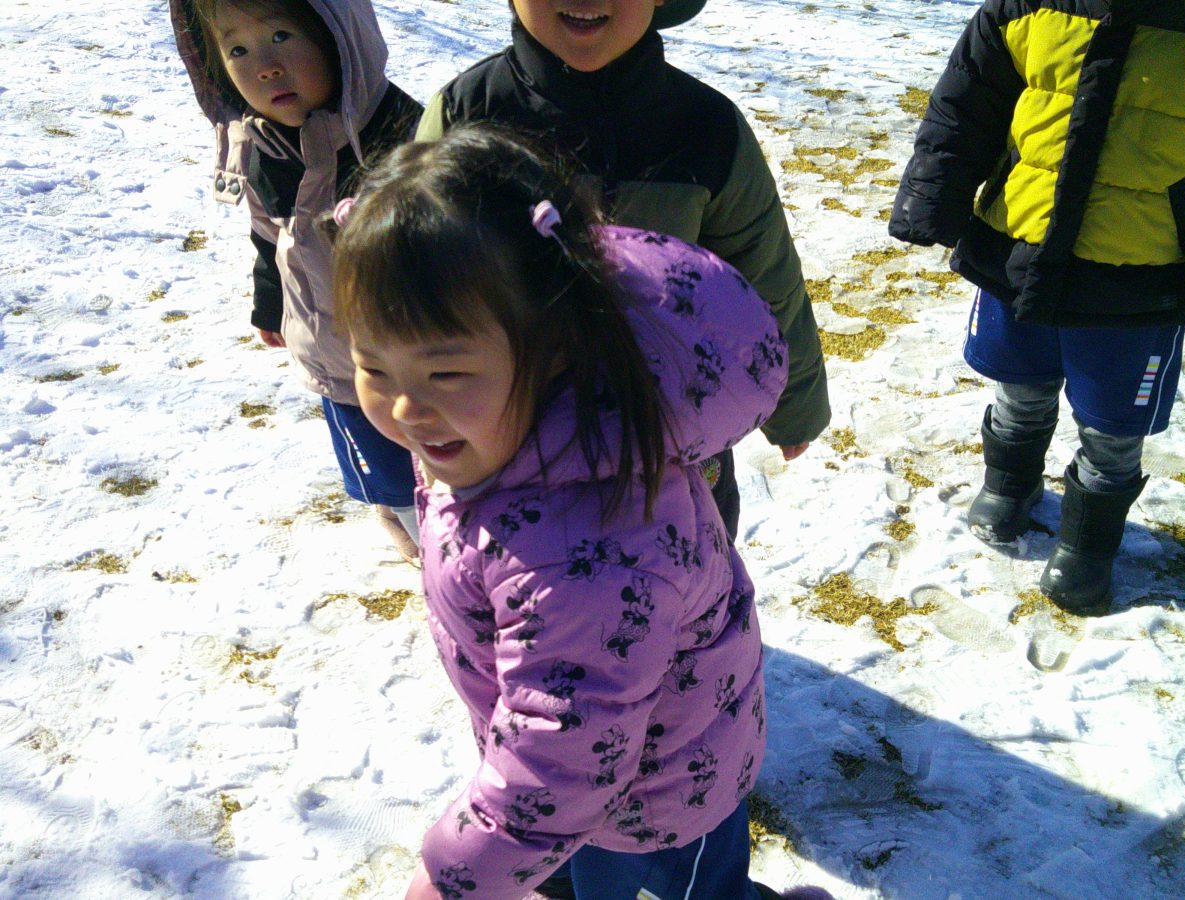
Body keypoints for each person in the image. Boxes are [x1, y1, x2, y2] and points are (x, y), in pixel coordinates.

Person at [328, 123, 829, 900]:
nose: (404, 408)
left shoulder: (585, 553)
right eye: (373, 367)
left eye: (445, 372)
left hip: (664, 803)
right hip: (603, 791)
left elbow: (556, 763)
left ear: (553, 347)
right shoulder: (486, 435)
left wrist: (453, 879)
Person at [413, 0, 831, 541]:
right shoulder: (467, 114)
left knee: (687, 568)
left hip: (669, 431)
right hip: (511, 435)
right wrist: (421, 397)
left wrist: (795, 404)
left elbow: (764, 274)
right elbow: (411, 278)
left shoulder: (707, 127)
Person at [889, 0, 1185, 614]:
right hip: (1020, 245)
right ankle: (1010, 483)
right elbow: (966, 104)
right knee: (1019, 381)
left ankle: (1088, 545)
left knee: (1114, 422)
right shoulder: (1027, 7)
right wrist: (933, 199)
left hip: (1140, 273)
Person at [169, 0, 425, 561]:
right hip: (333, 351)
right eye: (237, 49)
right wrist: (270, 304)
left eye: (282, 36)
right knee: (383, 465)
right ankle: (404, 521)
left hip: (420, 352)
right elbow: (268, 234)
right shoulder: (260, 145)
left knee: (439, 449)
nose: (265, 67)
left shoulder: (406, 135)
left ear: (339, 38)